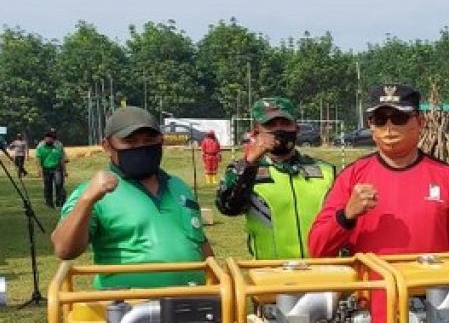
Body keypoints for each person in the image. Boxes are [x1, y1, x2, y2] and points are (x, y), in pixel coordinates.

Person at [308, 84, 449, 323]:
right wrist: (347, 215)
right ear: (371, 126)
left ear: (419, 123)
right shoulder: (352, 178)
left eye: (399, 118)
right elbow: (317, 248)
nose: (389, 128)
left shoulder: (448, 179)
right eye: (379, 119)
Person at [51, 106, 212, 288]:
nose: (141, 148)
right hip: (128, 308)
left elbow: (200, 242)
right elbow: (64, 249)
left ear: (161, 140)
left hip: (193, 301)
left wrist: (216, 281)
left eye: (149, 140)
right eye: (130, 142)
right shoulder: (93, 193)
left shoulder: (178, 186)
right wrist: (87, 200)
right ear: (107, 146)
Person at [216, 97, 336, 259]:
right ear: (256, 131)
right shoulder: (244, 170)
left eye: (285, 124)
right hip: (270, 275)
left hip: (323, 271)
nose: (279, 129)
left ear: (296, 128)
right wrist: (250, 163)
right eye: (270, 125)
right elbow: (228, 207)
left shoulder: (326, 171)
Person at [35, 129, 68, 208]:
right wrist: (39, 170)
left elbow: (62, 159)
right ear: (45, 138)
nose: (50, 139)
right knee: (47, 186)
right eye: (48, 138)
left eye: (52, 138)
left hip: (57, 169)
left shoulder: (58, 146)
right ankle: (49, 203)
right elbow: (38, 160)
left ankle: (59, 202)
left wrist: (65, 171)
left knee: (59, 184)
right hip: (46, 169)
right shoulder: (40, 147)